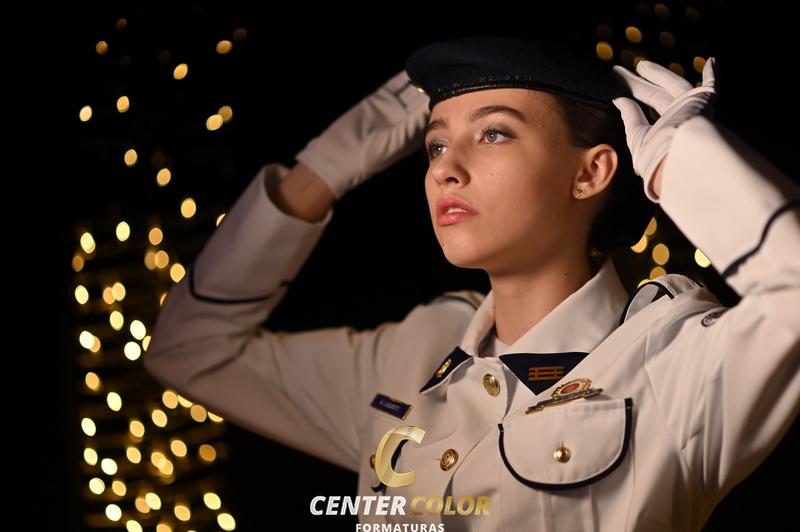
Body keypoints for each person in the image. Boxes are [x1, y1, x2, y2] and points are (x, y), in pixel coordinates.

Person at [143, 35, 800, 531]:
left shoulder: (675, 361)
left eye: (493, 133)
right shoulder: (407, 358)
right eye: (435, 144)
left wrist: (682, 163)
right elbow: (189, 350)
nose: (444, 169)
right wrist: (324, 168)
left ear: (591, 172)